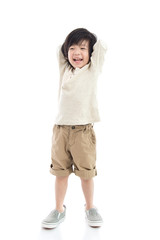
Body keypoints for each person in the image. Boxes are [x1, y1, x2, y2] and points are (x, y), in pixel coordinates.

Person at [41, 28, 107, 229]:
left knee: (86, 175)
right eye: (72, 48)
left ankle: (90, 207)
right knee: (60, 173)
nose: (76, 53)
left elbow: (102, 46)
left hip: (83, 132)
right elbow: (58, 50)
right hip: (60, 131)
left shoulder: (92, 70)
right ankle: (59, 209)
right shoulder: (65, 69)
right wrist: (68, 41)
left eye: (82, 48)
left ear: (90, 53)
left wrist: (90, 40)